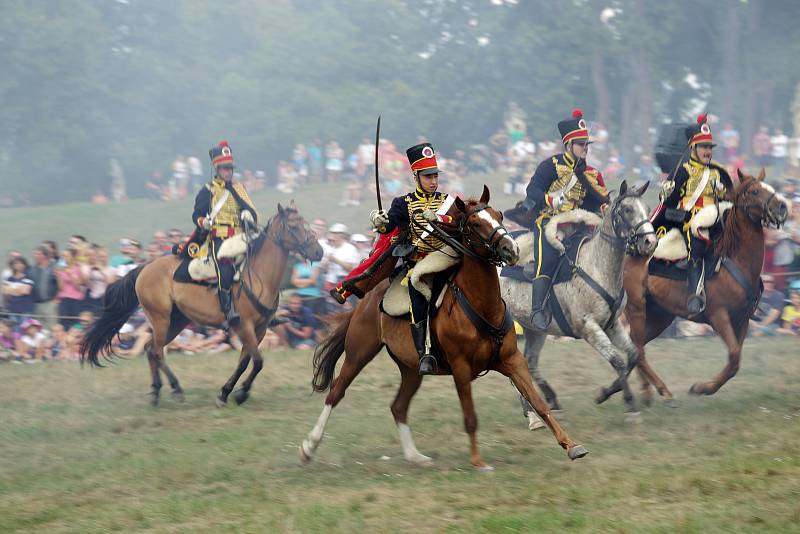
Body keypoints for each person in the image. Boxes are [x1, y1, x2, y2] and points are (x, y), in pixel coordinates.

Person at [333, 143, 454, 375]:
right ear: (416, 177)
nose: (433, 181)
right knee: (418, 300)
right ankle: (424, 353)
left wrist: (439, 218)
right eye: (428, 177)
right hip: (418, 266)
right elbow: (390, 225)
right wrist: (380, 221)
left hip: (446, 260)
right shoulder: (403, 203)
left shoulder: (447, 201)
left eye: (435, 176)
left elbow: (457, 222)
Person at [516, 108, 609, 330]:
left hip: (580, 223)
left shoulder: (593, 174)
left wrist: (605, 207)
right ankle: (538, 310)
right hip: (550, 221)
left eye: (587, 144)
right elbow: (532, 190)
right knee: (546, 258)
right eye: (580, 144)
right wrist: (551, 201)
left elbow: (597, 202)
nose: (585, 148)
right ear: (568, 145)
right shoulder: (550, 166)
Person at [655, 114, 734, 317]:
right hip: (688, 220)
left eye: (709, 147)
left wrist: (723, 193)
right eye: (703, 147)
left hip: (713, 218)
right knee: (697, 246)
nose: (708, 151)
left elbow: (726, 196)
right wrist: (667, 190)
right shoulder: (682, 170)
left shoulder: (717, 173)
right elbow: (669, 201)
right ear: (693, 148)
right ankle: (695, 295)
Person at [192, 140, 258, 327]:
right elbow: (196, 215)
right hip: (219, 237)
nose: (229, 172)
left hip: (241, 236)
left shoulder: (239, 188)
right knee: (226, 267)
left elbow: (252, 210)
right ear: (217, 169)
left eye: (231, 168)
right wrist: (203, 222)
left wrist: (248, 214)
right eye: (225, 168)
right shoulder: (208, 191)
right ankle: (227, 310)